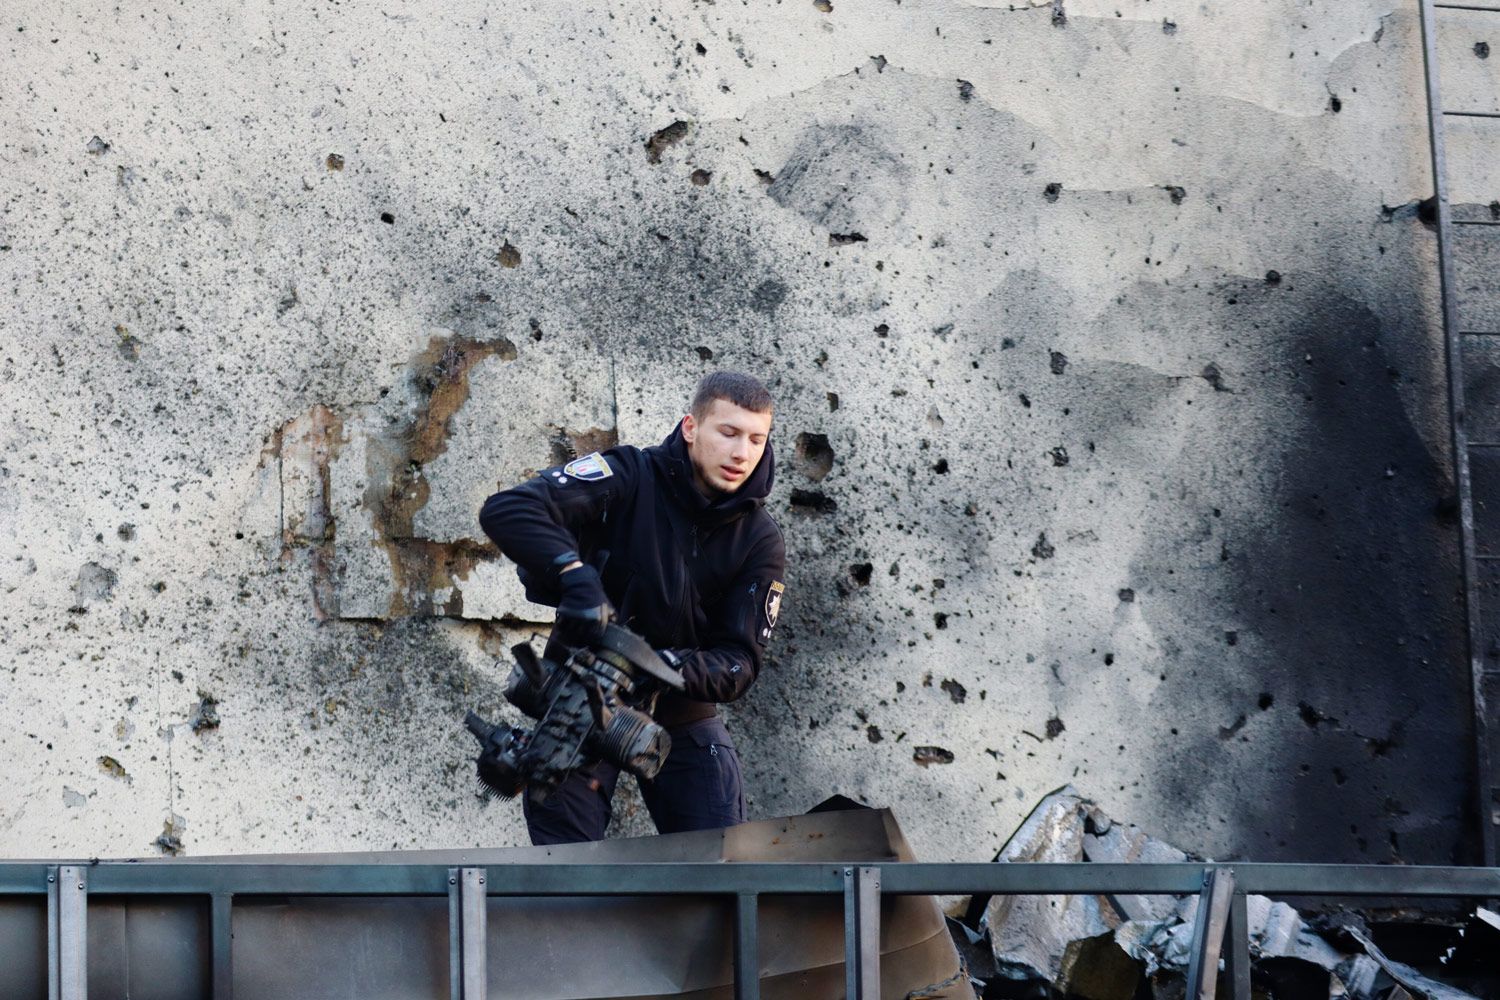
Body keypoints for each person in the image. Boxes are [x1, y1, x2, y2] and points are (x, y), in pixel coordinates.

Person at [478, 370, 787, 844]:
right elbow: (509, 509)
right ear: (691, 427)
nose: (741, 453)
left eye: (756, 439)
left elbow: (739, 663)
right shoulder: (628, 475)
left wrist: (655, 665)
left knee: (722, 872)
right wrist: (575, 578)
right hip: (576, 705)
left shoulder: (760, 540)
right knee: (564, 875)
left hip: (683, 716)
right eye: (728, 433)